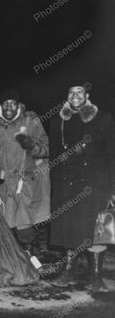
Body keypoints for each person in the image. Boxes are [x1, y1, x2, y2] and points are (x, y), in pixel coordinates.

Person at [49, 85, 115, 291]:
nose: (75, 96)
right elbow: (54, 155)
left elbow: (111, 154)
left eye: (79, 92)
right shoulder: (58, 121)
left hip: (95, 182)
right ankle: (68, 271)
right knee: (69, 227)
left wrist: (112, 187)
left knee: (96, 228)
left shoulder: (103, 118)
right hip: (67, 184)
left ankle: (95, 276)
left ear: (87, 96)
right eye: (71, 93)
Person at [0, 89, 50, 254]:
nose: (9, 107)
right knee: (3, 224)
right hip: (2, 184)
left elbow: (46, 149)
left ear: (18, 105)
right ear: (0, 106)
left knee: (25, 225)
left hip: (25, 183)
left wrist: (31, 146)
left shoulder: (31, 121)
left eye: (13, 104)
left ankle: (26, 257)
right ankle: (8, 259)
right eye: (5, 104)